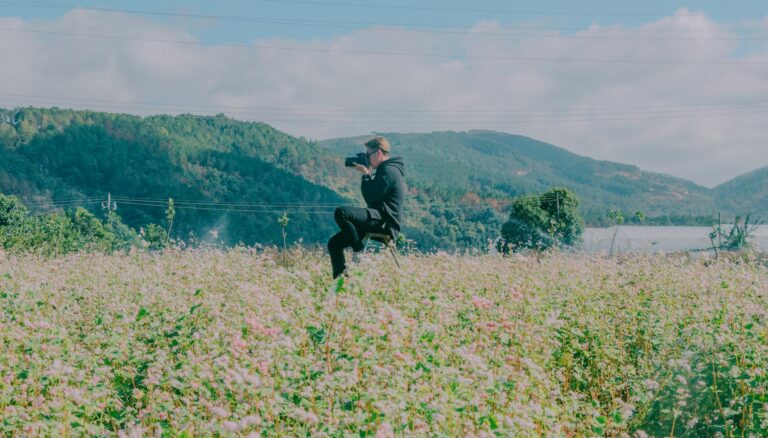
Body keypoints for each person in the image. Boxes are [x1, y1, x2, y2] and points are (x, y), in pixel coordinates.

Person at [327, 136, 406, 279]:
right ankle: (340, 282)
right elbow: (373, 202)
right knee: (334, 244)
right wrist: (368, 175)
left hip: (385, 223)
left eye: (368, 155)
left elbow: (370, 198)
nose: (367, 159)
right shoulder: (388, 169)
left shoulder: (388, 170)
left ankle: (358, 247)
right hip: (379, 218)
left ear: (378, 153)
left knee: (341, 212)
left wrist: (365, 174)